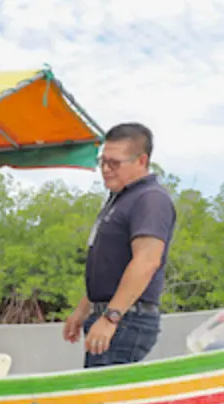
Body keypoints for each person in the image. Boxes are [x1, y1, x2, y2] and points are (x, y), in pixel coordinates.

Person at [63, 122, 177, 368]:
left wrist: (111, 318)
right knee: (94, 395)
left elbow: (146, 261)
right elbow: (111, 266)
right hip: (110, 313)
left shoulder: (150, 199)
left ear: (141, 161)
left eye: (114, 163)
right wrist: (84, 309)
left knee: (100, 400)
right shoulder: (121, 199)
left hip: (127, 318)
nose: (105, 169)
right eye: (102, 161)